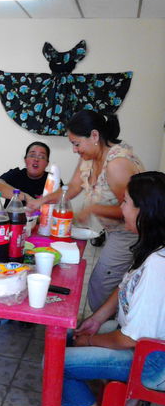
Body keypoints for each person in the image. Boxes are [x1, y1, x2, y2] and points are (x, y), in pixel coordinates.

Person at [62, 171, 165, 406]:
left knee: (56, 364)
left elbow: (129, 340)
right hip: (144, 343)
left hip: (153, 360)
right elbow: (124, 286)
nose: (121, 209)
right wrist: (95, 321)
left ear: (146, 211)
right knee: (67, 337)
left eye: (126, 202)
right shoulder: (153, 246)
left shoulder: (158, 265)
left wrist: (91, 340)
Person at [28, 109, 144, 310]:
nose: (74, 150)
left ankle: (107, 328)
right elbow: (72, 187)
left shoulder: (117, 164)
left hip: (131, 233)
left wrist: (92, 209)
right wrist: (42, 201)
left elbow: (134, 212)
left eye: (76, 143)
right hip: (113, 231)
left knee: (101, 284)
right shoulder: (90, 156)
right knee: (105, 282)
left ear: (95, 136)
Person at [0, 141, 51, 207]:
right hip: (12, 216)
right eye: (32, 155)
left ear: (47, 163)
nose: (36, 159)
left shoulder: (52, 179)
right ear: (25, 160)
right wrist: (26, 197)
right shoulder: (16, 173)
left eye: (41, 157)